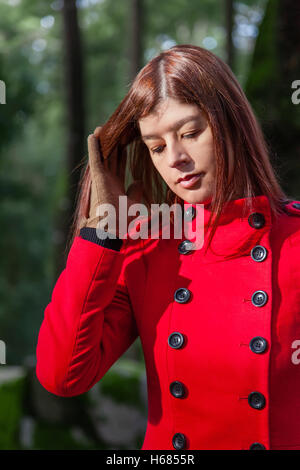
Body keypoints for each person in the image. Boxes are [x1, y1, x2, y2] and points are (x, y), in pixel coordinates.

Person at [35, 44, 300, 450]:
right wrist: (101, 233)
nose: (175, 157)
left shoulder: (293, 238)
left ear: (232, 123)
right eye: (156, 147)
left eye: (190, 132)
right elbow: (63, 374)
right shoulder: (149, 252)